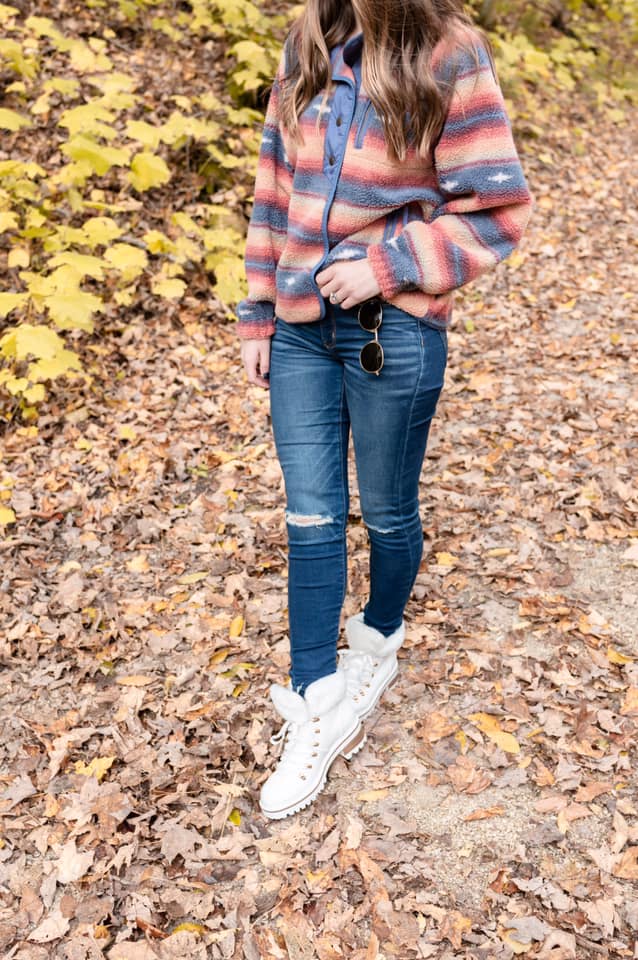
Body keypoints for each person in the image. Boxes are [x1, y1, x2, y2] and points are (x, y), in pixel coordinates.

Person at [234, 0, 534, 820]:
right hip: (297, 331)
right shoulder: (308, 43)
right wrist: (258, 311)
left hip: (389, 330)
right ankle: (314, 702)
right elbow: (271, 193)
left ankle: (378, 639)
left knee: (390, 514)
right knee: (310, 515)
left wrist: (389, 264)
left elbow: (500, 209)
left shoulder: (450, 52)